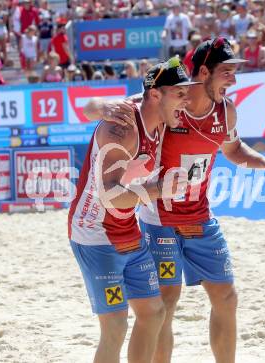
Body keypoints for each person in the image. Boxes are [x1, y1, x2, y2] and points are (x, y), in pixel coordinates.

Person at [86, 37, 265, 363]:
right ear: (205, 72)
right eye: (226, 72)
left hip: (199, 217)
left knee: (226, 297)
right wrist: (98, 106)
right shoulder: (170, 102)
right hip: (159, 218)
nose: (234, 80)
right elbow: (105, 109)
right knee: (166, 302)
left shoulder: (226, 111)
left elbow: (234, 150)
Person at [69, 58, 197, 363]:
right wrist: (158, 189)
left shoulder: (160, 114)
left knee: (153, 313)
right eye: (180, 94)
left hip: (128, 229)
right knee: (114, 327)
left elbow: (92, 107)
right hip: (94, 233)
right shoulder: (123, 127)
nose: (187, 101)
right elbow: (111, 196)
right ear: (156, 95)